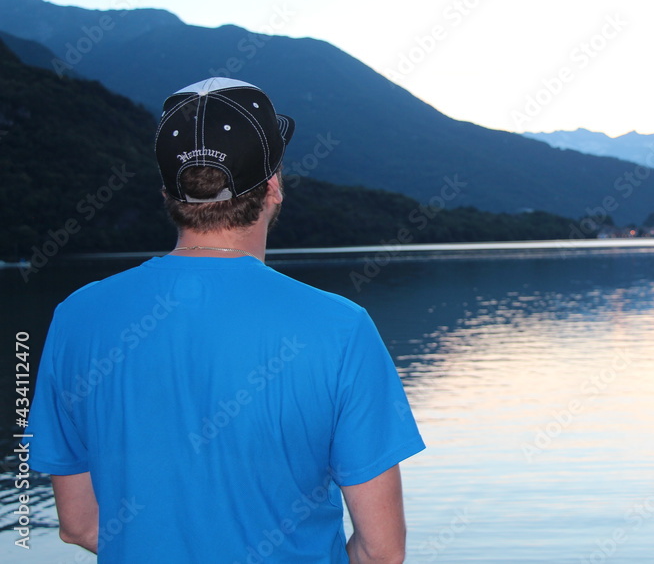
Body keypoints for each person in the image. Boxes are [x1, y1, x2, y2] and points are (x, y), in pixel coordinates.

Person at [28, 77, 425, 563]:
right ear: (274, 186)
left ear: (168, 193)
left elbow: (80, 524)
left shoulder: (76, 318)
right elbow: (381, 551)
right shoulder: (341, 328)